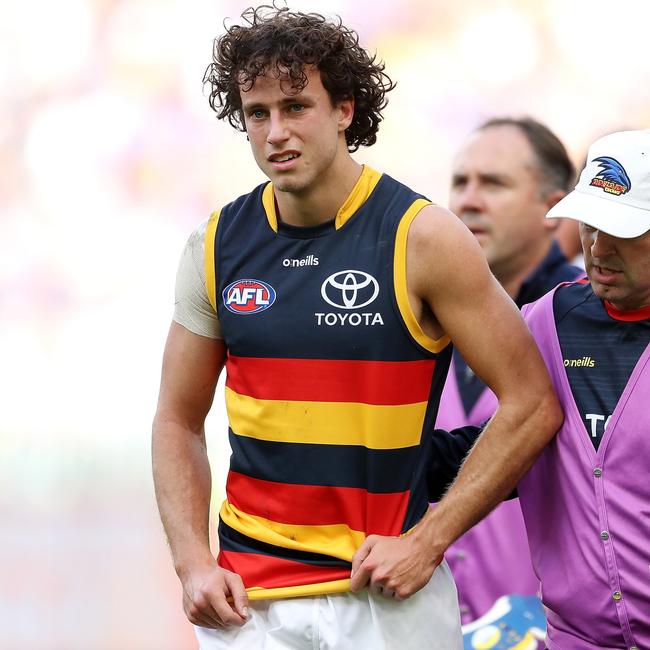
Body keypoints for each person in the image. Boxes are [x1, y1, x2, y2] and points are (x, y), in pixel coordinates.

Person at [151, 7, 561, 649]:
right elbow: (177, 419)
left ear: (344, 108)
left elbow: (533, 404)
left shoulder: (422, 237)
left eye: (295, 106)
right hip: (250, 607)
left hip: (384, 601)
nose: (275, 132)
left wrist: (430, 539)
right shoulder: (214, 246)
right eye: (257, 113)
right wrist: (192, 562)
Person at [436, 117, 583, 625]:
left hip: (560, 632)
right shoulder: (410, 318)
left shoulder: (592, 324)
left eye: (493, 183)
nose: (469, 200)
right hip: (427, 624)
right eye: (461, 182)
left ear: (555, 207)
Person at [517, 128, 650, 650]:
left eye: (622, 228)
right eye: (590, 224)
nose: (599, 246)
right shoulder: (546, 320)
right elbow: (500, 443)